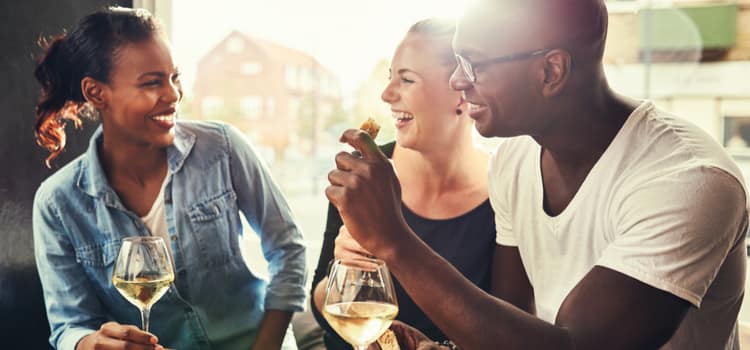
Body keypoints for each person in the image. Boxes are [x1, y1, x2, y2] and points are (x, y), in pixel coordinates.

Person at [325, 0, 748, 349]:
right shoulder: (515, 158)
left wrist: (394, 240)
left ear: (550, 71)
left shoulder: (687, 181)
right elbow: (512, 319)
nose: (458, 81)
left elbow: (574, 346)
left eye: (473, 65)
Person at [32, 7, 306, 350]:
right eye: (152, 83)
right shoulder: (57, 203)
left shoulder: (222, 148)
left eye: (174, 77)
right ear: (96, 93)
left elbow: (287, 250)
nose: (174, 94)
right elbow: (69, 326)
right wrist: (89, 343)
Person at [309, 18, 516, 349]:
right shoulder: (366, 173)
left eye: (406, 79)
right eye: (390, 77)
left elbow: (511, 325)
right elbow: (320, 305)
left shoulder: (508, 189)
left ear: (461, 92)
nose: (387, 94)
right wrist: (340, 272)